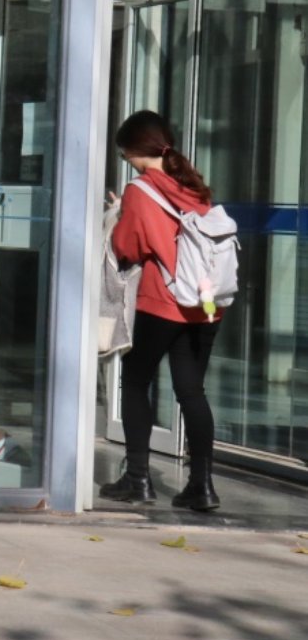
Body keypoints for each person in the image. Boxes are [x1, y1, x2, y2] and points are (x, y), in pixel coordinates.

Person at [100, 110, 222, 511]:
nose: (126, 160)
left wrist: (121, 214)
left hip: (162, 301)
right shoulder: (194, 186)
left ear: (135, 150)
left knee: (136, 382)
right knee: (191, 391)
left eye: (124, 154)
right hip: (204, 305)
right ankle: (202, 485)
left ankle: (138, 479)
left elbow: (128, 248)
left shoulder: (140, 190)